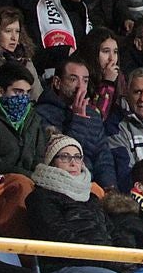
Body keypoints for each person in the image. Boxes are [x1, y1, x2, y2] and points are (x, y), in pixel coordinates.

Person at [26, 135, 138, 273]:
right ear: (52, 162)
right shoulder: (41, 197)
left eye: (77, 157)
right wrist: (105, 257)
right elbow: (57, 237)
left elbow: (112, 231)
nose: (73, 162)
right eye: (65, 157)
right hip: (64, 267)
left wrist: (122, 256)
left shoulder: (90, 198)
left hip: (103, 265)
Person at [34, 55, 116, 188]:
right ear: (57, 82)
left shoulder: (93, 115)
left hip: (91, 186)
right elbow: (60, 157)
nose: (80, 87)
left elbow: (103, 159)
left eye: (85, 81)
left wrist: (110, 191)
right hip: (59, 185)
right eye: (73, 79)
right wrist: (79, 120)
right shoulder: (41, 113)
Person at [0, 61, 48, 176]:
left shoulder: (34, 120)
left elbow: (39, 160)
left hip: (30, 183)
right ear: (0, 91)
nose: (23, 98)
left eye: (27, 93)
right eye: (18, 91)